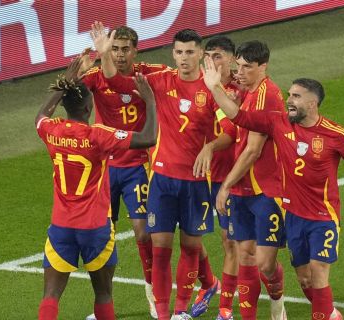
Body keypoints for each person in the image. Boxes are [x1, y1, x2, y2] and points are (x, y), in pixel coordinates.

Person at [202, 69, 344, 320]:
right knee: (305, 278)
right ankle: (331, 314)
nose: (289, 100)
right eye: (289, 95)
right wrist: (215, 87)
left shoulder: (337, 135)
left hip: (323, 217)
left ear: (312, 103)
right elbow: (239, 116)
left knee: (318, 271)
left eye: (296, 96)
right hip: (293, 217)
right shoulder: (278, 123)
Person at [91, 22, 236, 320]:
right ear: (173, 53)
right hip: (162, 179)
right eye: (179, 52)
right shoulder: (160, 81)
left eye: (190, 52)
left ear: (201, 56)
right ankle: (162, 312)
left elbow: (230, 131)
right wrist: (104, 55)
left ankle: (181, 310)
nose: (184, 58)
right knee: (159, 247)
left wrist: (210, 147)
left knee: (191, 246)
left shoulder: (211, 89)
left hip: (196, 182)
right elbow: (118, 85)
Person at [35, 56, 157, 320]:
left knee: (50, 296)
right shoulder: (98, 135)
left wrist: (63, 85)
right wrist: (150, 101)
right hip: (95, 228)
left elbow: (41, 115)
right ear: (90, 105)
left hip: (61, 226)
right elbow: (149, 138)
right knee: (103, 294)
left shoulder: (51, 131)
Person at [80, 25, 168, 319]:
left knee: (143, 232)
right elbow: (69, 87)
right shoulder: (96, 75)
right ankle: (103, 306)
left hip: (136, 166)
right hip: (105, 168)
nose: (119, 55)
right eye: (114, 49)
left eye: (124, 49)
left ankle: (153, 294)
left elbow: (179, 75)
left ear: (136, 50)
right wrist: (87, 61)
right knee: (102, 237)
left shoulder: (148, 73)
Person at [201, 40, 288, 320]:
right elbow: (234, 120)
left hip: (266, 189)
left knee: (264, 263)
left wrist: (225, 186)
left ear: (263, 67)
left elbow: (252, 150)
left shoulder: (267, 96)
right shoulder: (248, 92)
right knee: (246, 254)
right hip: (243, 189)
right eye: (238, 65)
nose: (241, 72)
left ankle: (276, 296)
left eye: (247, 68)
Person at [190, 35, 239, 320]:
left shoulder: (241, 89)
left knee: (231, 243)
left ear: (232, 59)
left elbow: (232, 134)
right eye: (209, 55)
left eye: (218, 55)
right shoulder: (197, 85)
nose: (213, 61)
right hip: (197, 175)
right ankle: (209, 285)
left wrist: (209, 146)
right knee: (190, 239)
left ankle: (225, 308)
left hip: (229, 178)